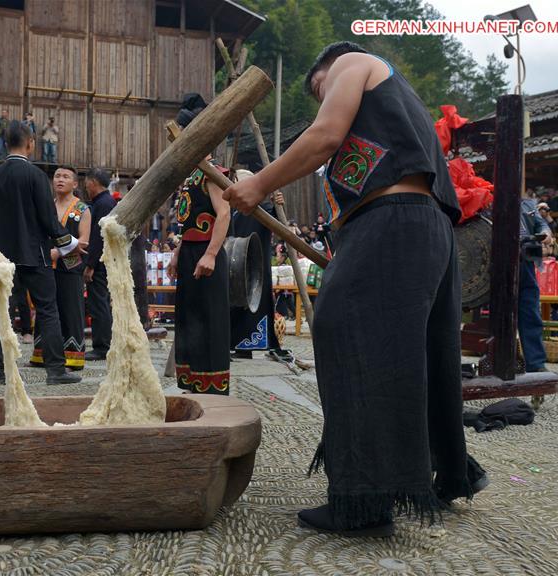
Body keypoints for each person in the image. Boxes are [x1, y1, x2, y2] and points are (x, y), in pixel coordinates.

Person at [223, 42, 486, 537]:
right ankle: (445, 473)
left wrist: (258, 184)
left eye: (321, 90)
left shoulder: (353, 63)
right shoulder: (398, 107)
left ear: (330, 68)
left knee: (344, 333)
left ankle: (364, 498)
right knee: (419, 353)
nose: (326, 98)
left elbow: (324, 136)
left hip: (395, 221)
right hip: (420, 228)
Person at [0, 121, 83, 385]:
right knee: (47, 309)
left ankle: (5, 370)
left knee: (3, 313)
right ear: (31, 143)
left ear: (5, 142)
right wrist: (69, 242)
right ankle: (55, 370)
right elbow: (48, 219)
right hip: (36, 256)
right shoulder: (35, 176)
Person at [166, 146, 231, 394]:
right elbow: (191, 222)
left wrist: (211, 254)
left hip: (206, 253)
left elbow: (223, 214)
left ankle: (212, 388)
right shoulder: (191, 176)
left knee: (208, 320)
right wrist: (177, 252)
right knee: (188, 318)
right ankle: (193, 383)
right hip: (189, 252)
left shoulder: (212, 174)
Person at [229, 169, 294, 364]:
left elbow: (281, 226)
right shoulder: (229, 210)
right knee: (234, 305)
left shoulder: (264, 210)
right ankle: (238, 346)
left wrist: (278, 206)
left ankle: (258, 345)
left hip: (257, 265)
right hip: (233, 262)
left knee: (257, 304)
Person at [30, 166, 91, 370]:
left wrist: (59, 252)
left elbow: (84, 243)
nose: (60, 179)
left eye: (65, 177)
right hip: (46, 265)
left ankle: (73, 357)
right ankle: (41, 355)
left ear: (75, 184)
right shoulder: (46, 206)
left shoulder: (82, 209)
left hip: (70, 267)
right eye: (57, 176)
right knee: (46, 308)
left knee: (70, 309)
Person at [83, 168, 116, 361]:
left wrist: (91, 264)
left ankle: (102, 346)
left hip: (100, 262)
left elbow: (98, 238)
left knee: (99, 304)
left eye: (87, 182)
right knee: (100, 303)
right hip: (101, 260)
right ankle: (104, 343)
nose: (86, 186)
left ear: (93, 182)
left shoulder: (104, 204)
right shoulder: (103, 202)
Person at [519, 196, 555, 372]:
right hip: (496, 263)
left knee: (530, 313)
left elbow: (541, 224)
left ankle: (535, 363)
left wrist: (546, 233)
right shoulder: (488, 199)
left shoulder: (528, 204)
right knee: (500, 317)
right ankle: (502, 360)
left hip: (526, 261)